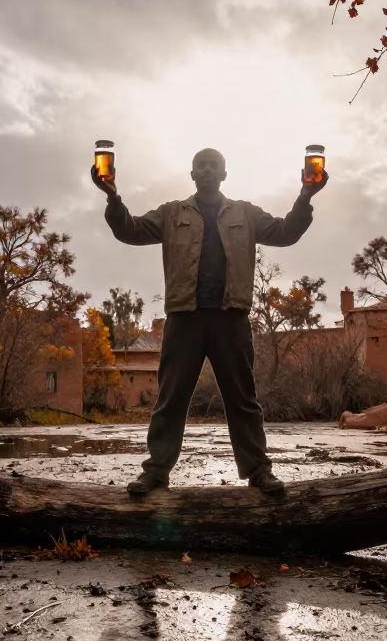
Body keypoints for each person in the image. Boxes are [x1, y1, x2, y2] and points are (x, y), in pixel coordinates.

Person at [92, 148, 328, 495]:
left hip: (230, 319)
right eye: (200, 166)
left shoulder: (245, 213)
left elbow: (284, 233)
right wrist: (112, 195)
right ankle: (156, 472)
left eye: (212, 166)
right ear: (191, 174)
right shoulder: (173, 213)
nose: (206, 171)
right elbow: (131, 230)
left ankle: (258, 472)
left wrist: (306, 195)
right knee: (170, 400)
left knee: (243, 400)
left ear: (224, 174)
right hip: (184, 319)